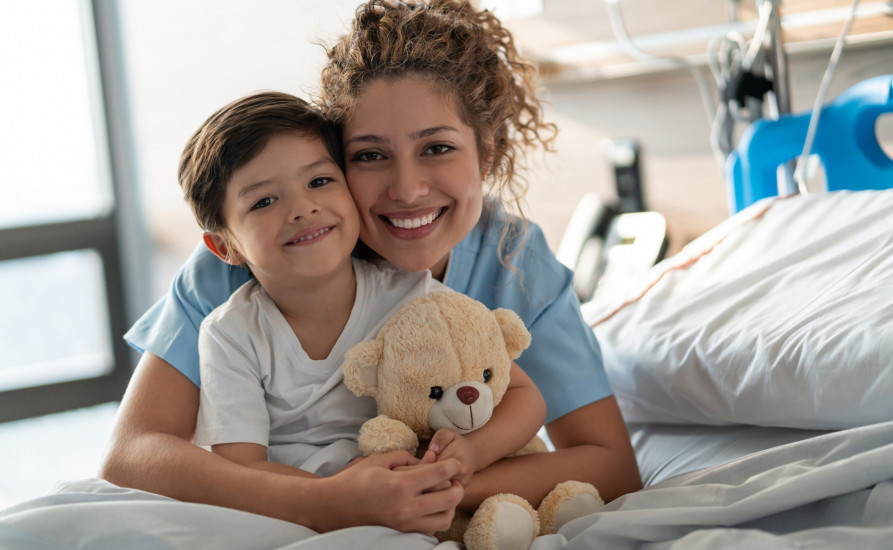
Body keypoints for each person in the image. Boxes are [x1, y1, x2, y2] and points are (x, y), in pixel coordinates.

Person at [100, 0, 641, 533]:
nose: (406, 189)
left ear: (488, 154)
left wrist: (420, 489)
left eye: (438, 147)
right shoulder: (249, 263)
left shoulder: (515, 261)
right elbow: (132, 454)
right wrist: (326, 503)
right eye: (370, 155)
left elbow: (610, 465)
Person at [181, 89, 545, 497]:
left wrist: (472, 454)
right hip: (299, 505)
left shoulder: (414, 298)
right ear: (224, 247)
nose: (303, 208)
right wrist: (342, 498)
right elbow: (243, 468)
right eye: (264, 201)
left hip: (405, 493)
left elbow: (523, 396)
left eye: (320, 181)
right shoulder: (231, 333)